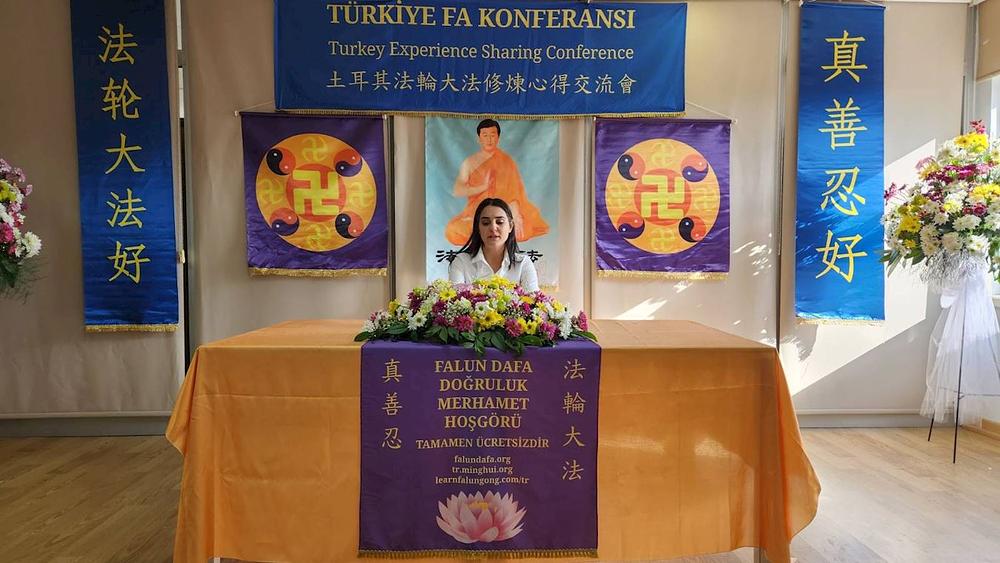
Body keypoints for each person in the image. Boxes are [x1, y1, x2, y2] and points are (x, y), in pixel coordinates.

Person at [445, 118, 549, 246]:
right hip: (477, 213)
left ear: (498, 138)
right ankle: (482, 231)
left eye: (492, 135)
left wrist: (515, 217)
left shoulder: (507, 161)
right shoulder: (470, 162)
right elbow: (458, 190)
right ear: (479, 138)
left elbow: (514, 194)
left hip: (503, 214)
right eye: (485, 135)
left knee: (524, 230)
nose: (489, 139)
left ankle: (485, 233)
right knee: (452, 231)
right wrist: (482, 188)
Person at [448, 198, 539, 292]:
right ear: (478, 228)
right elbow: (454, 298)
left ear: (510, 226)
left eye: (499, 222)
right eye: (486, 223)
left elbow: (533, 298)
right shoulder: (461, 262)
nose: (493, 227)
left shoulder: (523, 263)